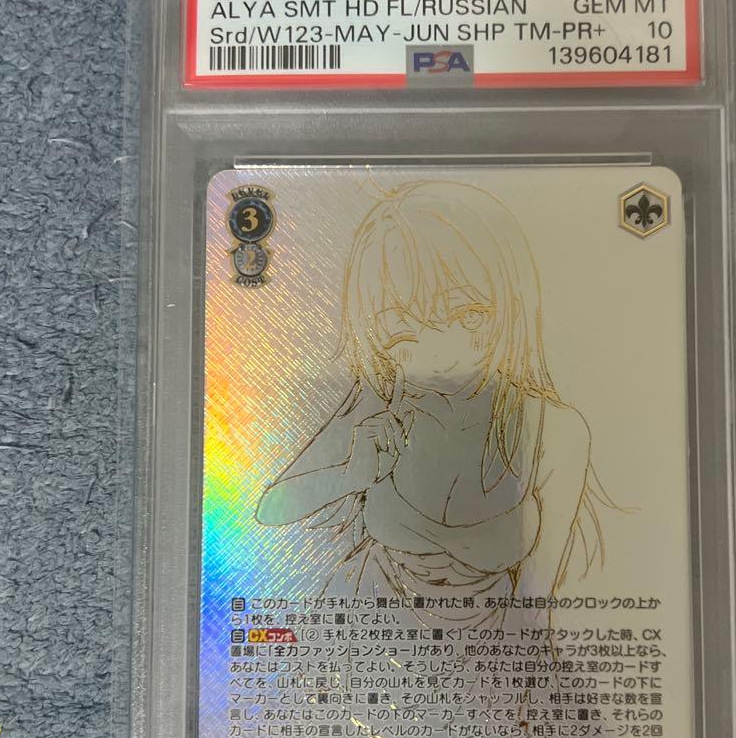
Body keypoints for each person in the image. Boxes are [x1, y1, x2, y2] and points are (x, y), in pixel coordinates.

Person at [255, 180, 610, 626]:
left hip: (491, 645)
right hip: (365, 631)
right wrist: (349, 475)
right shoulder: (379, 408)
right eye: (402, 324)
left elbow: (539, 605)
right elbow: (272, 509)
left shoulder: (551, 430)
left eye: (467, 316)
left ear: (510, 307)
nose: (439, 349)